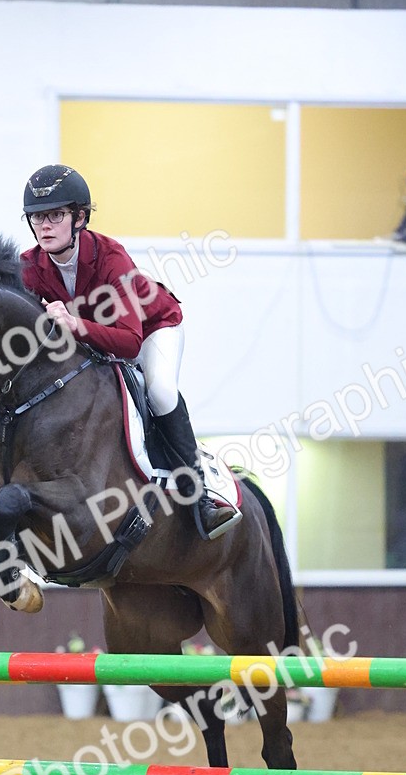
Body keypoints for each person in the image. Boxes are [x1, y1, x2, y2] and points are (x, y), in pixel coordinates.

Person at [19, 164, 240, 540]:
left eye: (55, 215)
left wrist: (75, 324)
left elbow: (129, 341)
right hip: (93, 341)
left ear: (80, 218)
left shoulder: (110, 256)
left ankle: (198, 495)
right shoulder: (29, 267)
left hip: (153, 329)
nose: (45, 225)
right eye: (38, 217)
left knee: (159, 391)